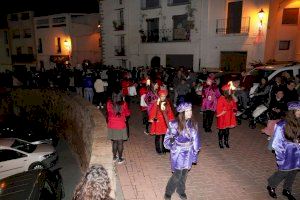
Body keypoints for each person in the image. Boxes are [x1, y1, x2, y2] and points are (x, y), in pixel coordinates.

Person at [163, 102, 201, 200]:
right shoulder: (174, 124)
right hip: (178, 152)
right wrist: (171, 141)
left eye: (190, 110)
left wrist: (195, 150)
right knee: (177, 174)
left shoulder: (193, 124)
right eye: (187, 111)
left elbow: (196, 139)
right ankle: (168, 191)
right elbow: (166, 142)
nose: (190, 112)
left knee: (184, 173)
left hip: (188, 152)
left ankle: (181, 190)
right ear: (182, 112)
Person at [266, 101, 300, 200]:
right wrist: (280, 158)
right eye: (298, 110)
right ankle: (271, 185)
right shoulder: (282, 125)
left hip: (297, 153)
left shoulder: (299, 122)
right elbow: (277, 143)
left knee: (293, 172)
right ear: (292, 111)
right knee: (283, 171)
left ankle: (287, 189)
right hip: (286, 152)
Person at [107, 90, 130, 164]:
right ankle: (120, 159)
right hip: (121, 125)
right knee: (120, 143)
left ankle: (114, 157)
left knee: (114, 142)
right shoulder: (123, 104)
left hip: (112, 125)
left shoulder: (109, 103)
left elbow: (108, 112)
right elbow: (127, 113)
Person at [148, 89, 175, 155]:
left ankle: (164, 148)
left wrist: (171, 120)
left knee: (164, 136)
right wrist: (153, 118)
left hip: (165, 122)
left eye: (164, 96)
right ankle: (158, 149)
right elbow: (153, 111)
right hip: (158, 122)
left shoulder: (167, 103)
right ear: (159, 96)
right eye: (162, 96)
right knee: (158, 136)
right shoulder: (156, 103)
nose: (163, 97)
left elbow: (170, 112)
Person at [216, 82, 237, 148]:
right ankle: (220, 142)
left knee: (227, 130)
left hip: (229, 116)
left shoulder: (230, 98)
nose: (231, 91)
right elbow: (219, 108)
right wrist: (223, 111)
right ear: (226, 91)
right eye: (230, 90)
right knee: (221, 130)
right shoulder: (221, 99)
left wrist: (234, 110)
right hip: (223, 116)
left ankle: (226, 141)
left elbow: (234, 105)